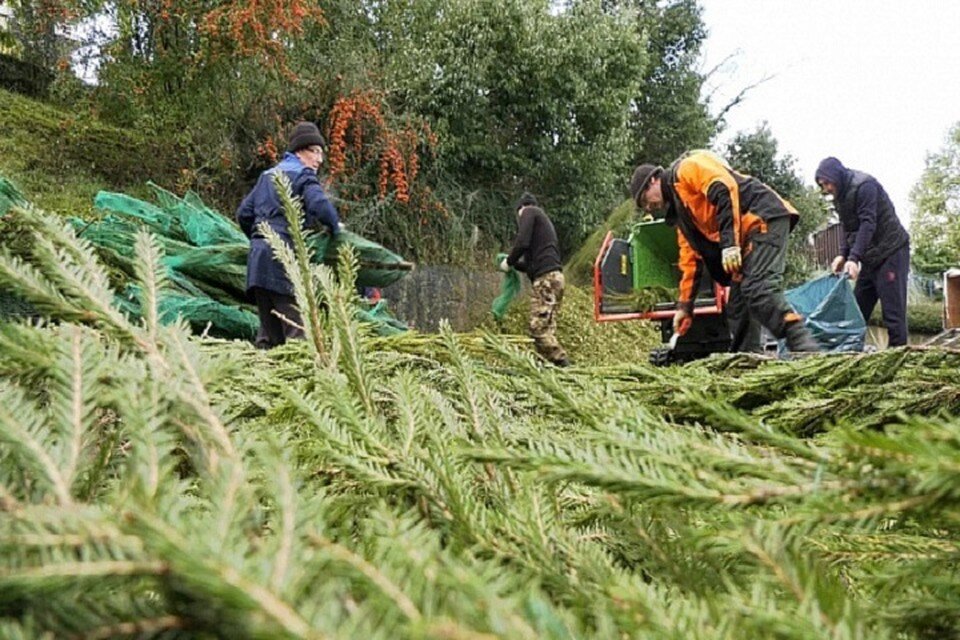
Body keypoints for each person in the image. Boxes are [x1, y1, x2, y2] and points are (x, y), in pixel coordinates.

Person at [629, 150, 819, 354]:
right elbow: (690, 261)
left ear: (654, 180)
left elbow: (723, 188)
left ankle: (802, 344)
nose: (649, 208)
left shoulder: (687, 168)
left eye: (645, 200)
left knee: (757, 289)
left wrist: (730, 245)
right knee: (737, 305)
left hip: (761, 218)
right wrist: (685, 307)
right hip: (745, 236)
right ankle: (746, 360)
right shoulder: (682, 216)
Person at [237, 121, 341, 349]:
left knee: (268, 337)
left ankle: (260, 380)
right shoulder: (302, 175)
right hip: (283, 261)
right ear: (300, 151)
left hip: (258, 263)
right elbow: (320, 205)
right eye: (315, 152)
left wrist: (260, 240)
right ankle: (302, 380)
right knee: (299, 333)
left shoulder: (267, 176)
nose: (319, 159)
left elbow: (244, 213)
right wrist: (336, 229)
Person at [815, 157, 910, 347]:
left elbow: (868, 223)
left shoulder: (865, 185)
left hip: (891, 251)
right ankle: (849, 356)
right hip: (871, 256)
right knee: (856, 311)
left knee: (893, 314)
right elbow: (847, 227)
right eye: (822, 185)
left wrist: (854, 257)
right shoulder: (840, 196)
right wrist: (843, 254)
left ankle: (899, 362)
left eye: (826, 183)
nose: (826, 189)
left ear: (836, 175)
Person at [499, 193, 570, 367]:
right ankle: (548, 368)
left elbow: (521, 242)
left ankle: (562, 363)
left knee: (537, 327)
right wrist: (515, 265)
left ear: (520, 209)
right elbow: (531, 265)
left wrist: (508, 262)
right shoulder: (542, 229)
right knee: (548, 328)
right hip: (556, 278)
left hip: (546, 280)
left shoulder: (529, 211)